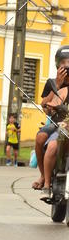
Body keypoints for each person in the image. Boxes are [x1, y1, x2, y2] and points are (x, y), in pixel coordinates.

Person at [32, 44, 69, 190]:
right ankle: (43, 176)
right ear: (57, 64)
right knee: (40, 137)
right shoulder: (51, 83)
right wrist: (58, 85)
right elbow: (45, 108)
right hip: (57, 122)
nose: (66, 66)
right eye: (63, 63)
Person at [39, 69, 69, 199]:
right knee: (51, 146)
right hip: (65, 129)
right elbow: (49, 104)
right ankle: (46, 184)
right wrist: (51, 105)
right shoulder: (64, 90)